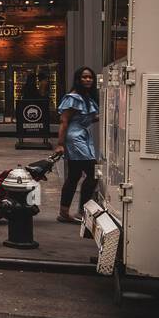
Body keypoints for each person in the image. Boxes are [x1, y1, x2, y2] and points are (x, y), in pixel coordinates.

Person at [56, 66, 100, 225]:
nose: (88, 80)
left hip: (83, 137)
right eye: (84, 77)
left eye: (90, 77)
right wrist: (60, 144)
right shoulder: (73, 97)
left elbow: (87, 118)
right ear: (78, 79)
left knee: (74, 176)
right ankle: (82, 211)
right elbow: (64, 121)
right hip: (75, 139)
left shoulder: (87, 97)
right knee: (94, 173)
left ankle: (64, 213)